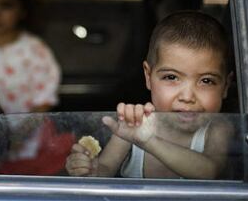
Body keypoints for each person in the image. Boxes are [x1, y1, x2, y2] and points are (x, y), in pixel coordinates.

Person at [66, 11, 234, 179]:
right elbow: (105, 169)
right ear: (148, 76)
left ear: (225, 85)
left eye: (206, 81)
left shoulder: (217, 129)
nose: (188, 96)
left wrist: (148, 142)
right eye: (171, 77)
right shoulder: (135, 123)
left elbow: (208, 171)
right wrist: (88, 169)